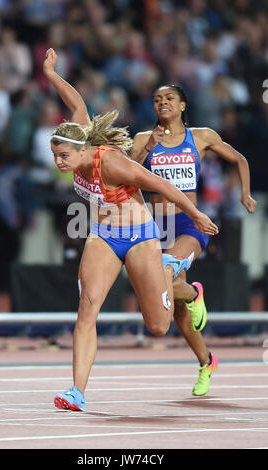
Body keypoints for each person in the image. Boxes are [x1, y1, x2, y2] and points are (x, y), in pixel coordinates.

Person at [43, 48, 218, 411]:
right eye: (55, 155)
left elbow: (163, 186)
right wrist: (50, 73)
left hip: (141, 237)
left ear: (82, 151)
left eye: (64, 157)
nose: (58, 163)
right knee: (87, 308)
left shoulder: (114, 165)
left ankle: (187, 291)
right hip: (104, 237)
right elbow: (75, 101)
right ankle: (77, 392)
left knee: (158, 325)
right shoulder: (77, 133)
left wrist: (197, 215)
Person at [130, 84, 257, 396]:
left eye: (169, 98)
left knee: (164, 268)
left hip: (190, 222)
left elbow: (239, 159)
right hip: (155, 226)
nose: (163, 103)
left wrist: (245, 194)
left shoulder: (201, 136)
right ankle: (206, 361)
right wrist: (149, 147)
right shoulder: (142, 139)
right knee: (173, 309)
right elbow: (128, 172)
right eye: (157, 99)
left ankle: (194, 293)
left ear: (183, 105)